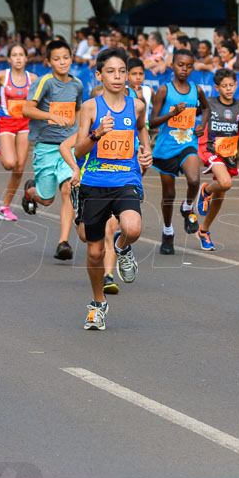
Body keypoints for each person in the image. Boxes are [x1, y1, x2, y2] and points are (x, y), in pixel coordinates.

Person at [72, 48, 152, 330]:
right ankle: (98, 304)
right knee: (93, 252)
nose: (117, 77)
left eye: (122, 72)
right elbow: (79, 149)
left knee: (132, 228)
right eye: (111, 72)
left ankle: (121, 249)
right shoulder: (90, 108)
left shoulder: (137, 105)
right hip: (94, 182)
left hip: (126, 180)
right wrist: (97, 133)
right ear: (99, 75)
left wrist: (146, 151)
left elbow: (142, 130)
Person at [20, 39, 83, 260]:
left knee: (68, 189)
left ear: (71, 58)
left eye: (66, 57)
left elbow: (78, 111)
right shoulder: (44, 82)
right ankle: (30, 192)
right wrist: (51, 116)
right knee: (47, 199)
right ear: (49, 61)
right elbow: (27, 109)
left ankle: (63, 242)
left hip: (68, 147)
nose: (62, 62)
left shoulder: (77, 85)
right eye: (57, 59)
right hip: (46, 147)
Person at [150, 49, 209, 254]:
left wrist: (202, 124)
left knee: (194, 180)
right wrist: (172, 113)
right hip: (166, 148)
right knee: (168, 194)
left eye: (188, 66)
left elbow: (207, 108)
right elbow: (151, 122)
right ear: (172, 65)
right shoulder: (164, 91)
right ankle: (167, 232)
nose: (184, 69)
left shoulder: (197, 90)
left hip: (188, 143)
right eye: (180, 65)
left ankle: (187, 206)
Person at [195, 69, 239, 251]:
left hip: (230, 152)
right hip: (210, 148)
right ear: (217, 87)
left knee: (221, 196)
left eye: (231, 85)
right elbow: (193, 114)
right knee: (225, 183)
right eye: (224, 86)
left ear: (236, 84)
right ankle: (206, 189)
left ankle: (204, 230)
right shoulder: (209, 103)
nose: (229, 89)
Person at [0, 43, 35, 221]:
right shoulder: (1, 77)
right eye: (14, 55)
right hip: (6, 122)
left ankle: (5, 207)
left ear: (26, 58)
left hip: (25, 123)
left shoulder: (33, 78)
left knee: (19, 168)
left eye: (21, 54)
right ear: (9, 59)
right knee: (9, 164)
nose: (18, 58)